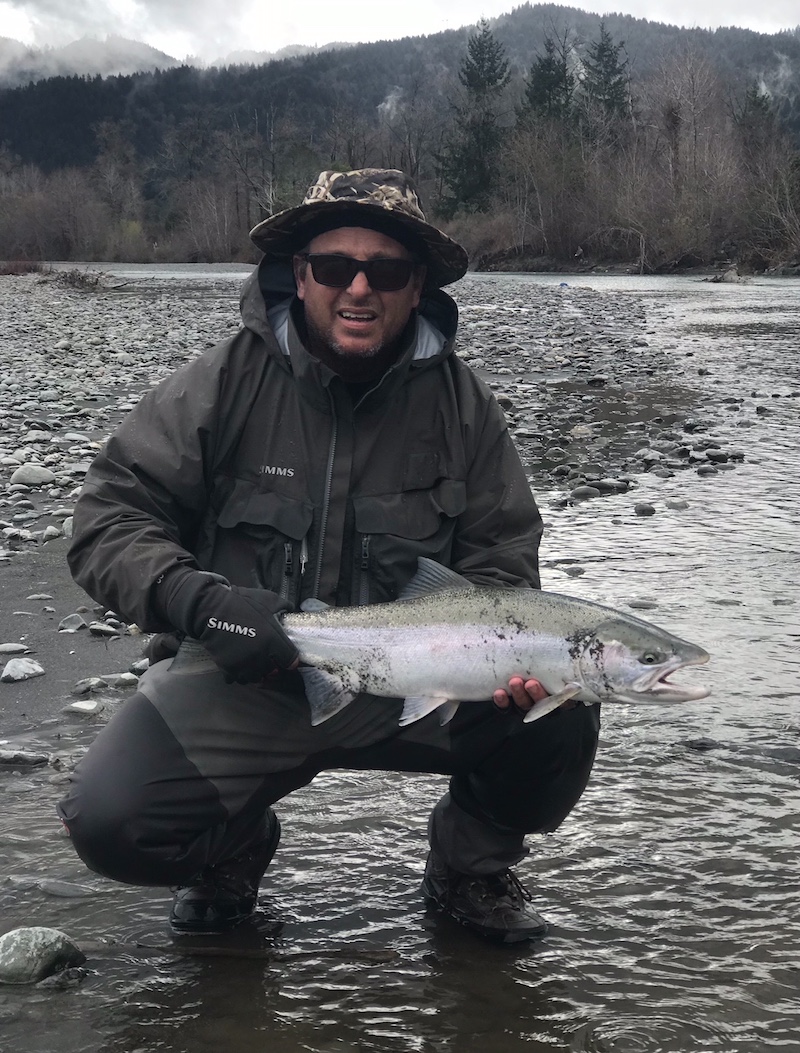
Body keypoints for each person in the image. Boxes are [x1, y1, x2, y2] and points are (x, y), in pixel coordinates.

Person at [57, 169, 600, 945]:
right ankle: (232, 851)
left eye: (385, 270)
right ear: (298, 275)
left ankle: (469, 867)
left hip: (424, 680)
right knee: (110, 819)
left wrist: (507, 670)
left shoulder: (463, 407)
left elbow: (504, 560)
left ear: (416, 288)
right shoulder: (221, 386)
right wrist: (198, 601)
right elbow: (107, 517)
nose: (358, 287)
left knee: (565, 705)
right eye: (334, 265)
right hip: (251, 671)